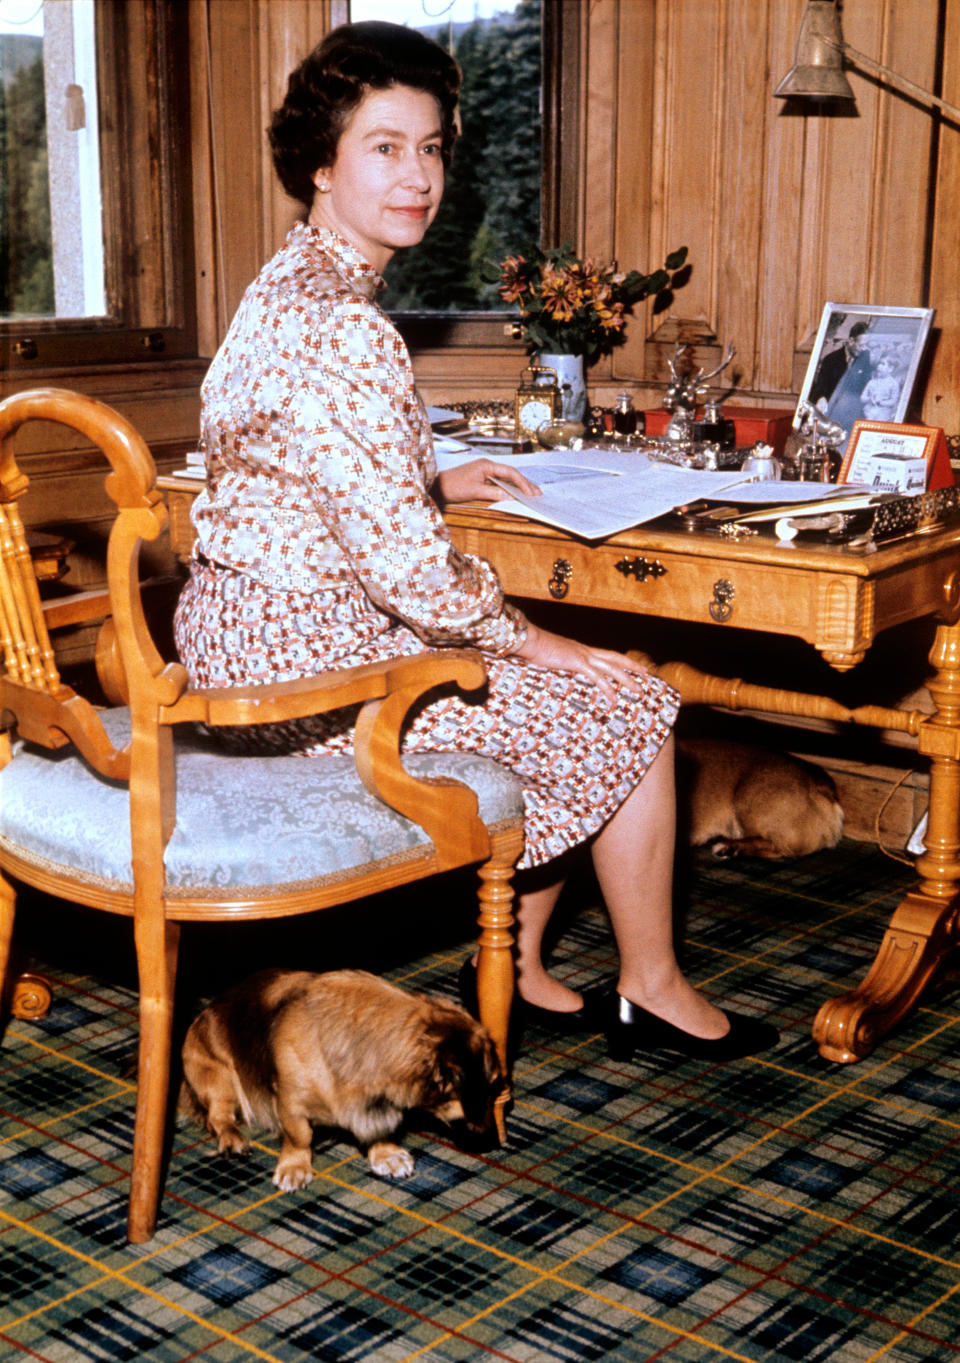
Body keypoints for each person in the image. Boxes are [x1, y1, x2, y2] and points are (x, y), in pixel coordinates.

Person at [173, 20, 777, 1062]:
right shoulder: (349, 328)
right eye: (384, 147)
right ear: (321, 164)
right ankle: (654, 984)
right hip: (303, 667)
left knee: (573, 694)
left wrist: (429, 473)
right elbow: (411, 572)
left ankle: (529, 968)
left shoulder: (287, 285)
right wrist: (534, 640)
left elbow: (290, 451)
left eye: (433, 149)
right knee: (629, 692)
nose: (419, 177)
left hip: (234, 628)